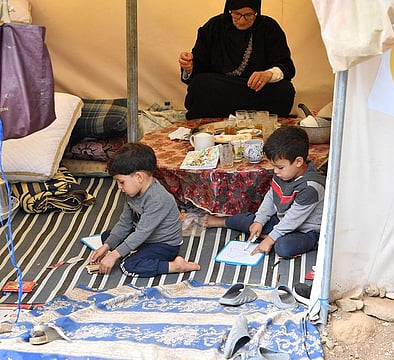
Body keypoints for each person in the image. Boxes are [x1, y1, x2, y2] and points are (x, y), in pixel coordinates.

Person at [202, 126, 324, 258]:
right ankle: (223, 222)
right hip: (282, 220)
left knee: (283, 248)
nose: (275, 171)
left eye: (279, 167)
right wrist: (259, 220)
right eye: (274, 166)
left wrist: (271, 239)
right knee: (251, 224)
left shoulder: (311, 186)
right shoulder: (284, 173)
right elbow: (272, 196)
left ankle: (279, 238)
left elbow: (293, 219)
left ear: (298, 161)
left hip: (307, 231)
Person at [89, 143, 200, 277]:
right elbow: (125, 223)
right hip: (145, 238)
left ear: (139, 177)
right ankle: (132, 252)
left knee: (128, 266)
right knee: (107, 237)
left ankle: (175, 266)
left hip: (164, 245)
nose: (119, 187)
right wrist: (106, 247)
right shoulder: (132, 194)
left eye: (121, 182)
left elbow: (142, 233)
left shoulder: (157, 199)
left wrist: (114, 255)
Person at [178, 0, 296, 120]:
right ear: (229, 11)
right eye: (237, 14)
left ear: (256, 12)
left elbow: (286, 65)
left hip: (256, 89)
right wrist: (189, 67)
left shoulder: (269, 27)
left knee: (285, 90)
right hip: (222, 87)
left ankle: (223, 111)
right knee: (200, 84)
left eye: (248, 15)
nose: (242, 20)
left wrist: (269, 74)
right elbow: (198, 64)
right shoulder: (214, 26)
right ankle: (250, 112)